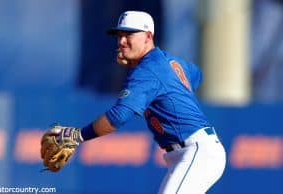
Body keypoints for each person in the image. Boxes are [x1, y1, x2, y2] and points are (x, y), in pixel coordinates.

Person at [45, 10, 226, 194]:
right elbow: (195, 74)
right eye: (120, 35)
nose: (122, 41)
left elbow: (119, 116)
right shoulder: (167, 61)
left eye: (129, 34)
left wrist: (78, 136)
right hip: (187, 153)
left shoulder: (148, 70)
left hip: (197, 151)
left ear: (148, 36)